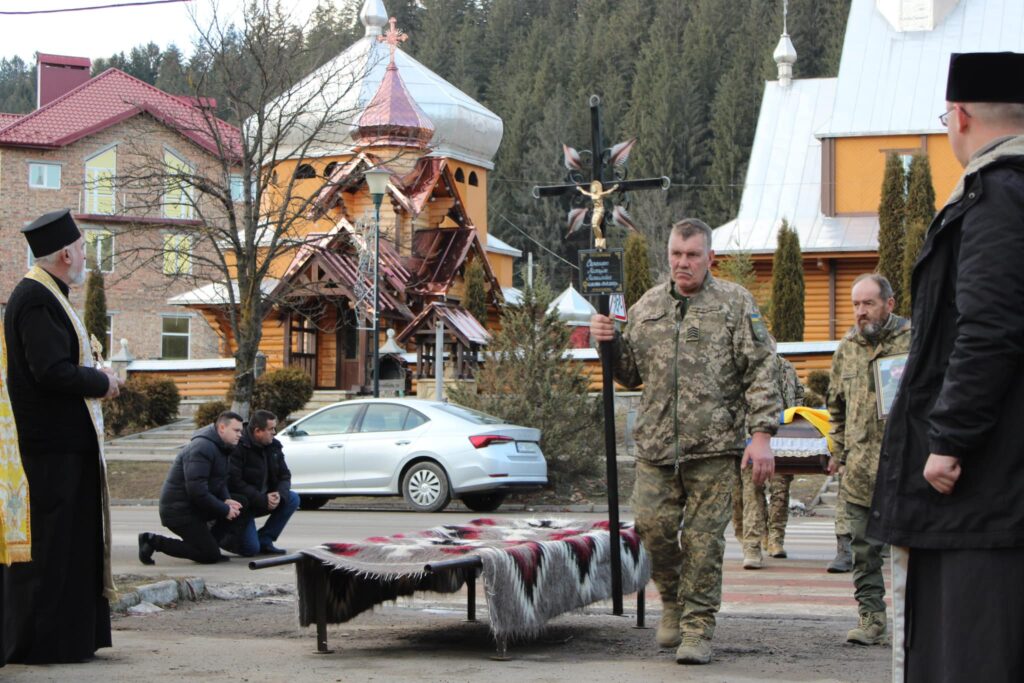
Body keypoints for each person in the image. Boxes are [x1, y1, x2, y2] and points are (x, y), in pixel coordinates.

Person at [871, 52, 1024, 682]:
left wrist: (949, 438)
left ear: (959, 116)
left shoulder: (997, 199)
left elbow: (988, 328)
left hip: (984, 494)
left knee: (971, 654)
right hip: (1003, 486)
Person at [590, 218, 780, 665]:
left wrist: (762, 435)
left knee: (703, 542)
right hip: (656, 446)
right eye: (676, 254)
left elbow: (762, 370)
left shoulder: (735, 304)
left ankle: (697, 628)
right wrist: (608, 344)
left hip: (713, 448)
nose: (683, 263)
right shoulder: (647, 306)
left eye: (692, 255)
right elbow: (630, 374)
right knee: (652, 532)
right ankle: (672, 601)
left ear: (709, 258)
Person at [2, 209, 123, 664]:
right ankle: (46, 642)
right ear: (66, 252)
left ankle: (72, 637)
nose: (85, 258)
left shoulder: (48, 292)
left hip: (63, 447)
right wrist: (102, 382)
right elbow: (50, 372)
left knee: (73, 543)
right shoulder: (35, 298)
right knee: (55, 547)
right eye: (83, 250)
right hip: (51, 450)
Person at [827, 273, 910, 646]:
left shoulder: (914, 342)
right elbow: (836, 407)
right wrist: (838, 453)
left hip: (905, 467)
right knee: (863, 549)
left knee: (913, 549)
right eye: (856, 304)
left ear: (889, 304)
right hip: (859, 468)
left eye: (869, 304)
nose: (861, 312)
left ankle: (916, 621)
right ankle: (872, 618)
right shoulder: (847, 348)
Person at [138, 412, 244, 565]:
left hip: (196, 507)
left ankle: (209, 545)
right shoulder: (202, 448)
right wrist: (224, 509)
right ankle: (152, 541)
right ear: (222, 427)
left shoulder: (222, 448)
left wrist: (227, 500)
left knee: (240, 504)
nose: (240, 435)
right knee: (209, 555)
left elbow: (220, 481)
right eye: (236, 430)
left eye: (240, 431)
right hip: (179, 511)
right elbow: (196, 490)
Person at [733, 352, 804, 568]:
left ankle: (772, 541)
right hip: (749, 439)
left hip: (783, 439)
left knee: (780, 492)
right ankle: (752, 542)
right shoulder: (746, 368)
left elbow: (799, 397)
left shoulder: (787, 369)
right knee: (746, 493)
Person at [222, 409, 299, 556]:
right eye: (271, 429)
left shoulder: (274, 446)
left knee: (292, 498)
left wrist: (279, 494)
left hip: (264, 500)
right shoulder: (239, 447)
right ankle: (223, 538)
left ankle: (265, 540)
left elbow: (285, 475)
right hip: (244, 505)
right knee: (251, 550)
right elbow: (234, 482)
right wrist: (262, 499)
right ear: (257, 431)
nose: (275, 432)